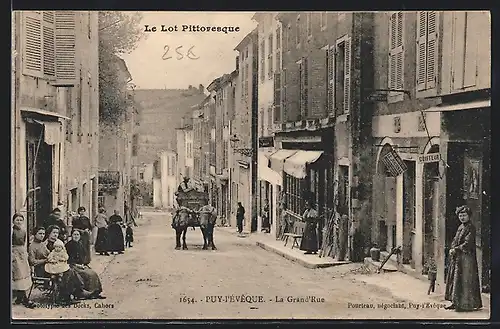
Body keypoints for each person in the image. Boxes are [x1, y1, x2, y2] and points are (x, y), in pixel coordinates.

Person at [444, 205, 483, 312]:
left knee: (465, 280)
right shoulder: (461, 227)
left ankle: (465, 304)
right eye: (460, 216)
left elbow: (467, 243)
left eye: (464, 215)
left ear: (469, 216)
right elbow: (455, 239)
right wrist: (452, 248)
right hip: (458, 257)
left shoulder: (471, 228)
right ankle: (455, 301)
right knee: (455, 278)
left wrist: (456, 249)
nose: (462, 217)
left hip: (467, 258)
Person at [44, 225, 91, 304]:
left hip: (59, 265)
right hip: (49, 267)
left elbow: (65, 254)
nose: (55, 235)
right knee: (69, 272)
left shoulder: (58, 242)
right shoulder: (46, 244)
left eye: (57, 233)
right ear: (49, 233)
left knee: (70, 271)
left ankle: (77, 292)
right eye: (53, 233)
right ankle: (67, 296)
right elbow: (47, 257)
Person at [65, 229, 106, 299]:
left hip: (81, 265)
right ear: (71, 236)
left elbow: (83, 256)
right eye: (74, 234)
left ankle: (95, 293)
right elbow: (69, 259)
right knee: (87, 274)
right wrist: (78, 265)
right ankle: (85, 293)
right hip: (72, 265)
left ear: (80, 236)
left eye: (78, 235)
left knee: (93, 273)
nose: (76, 236)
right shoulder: (69, 245)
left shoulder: (80, 244)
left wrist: (84, 264)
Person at [12, 213, 36, 308]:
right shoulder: (11, 231)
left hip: (22, 253)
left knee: (24, 275)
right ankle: (25, 299)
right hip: (14, 253)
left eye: (21, 220)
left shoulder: (23, 231)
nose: (19, 222)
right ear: (13, 221)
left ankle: (19, 298)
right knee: (19, 275)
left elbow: (24, 243)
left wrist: (24, 253)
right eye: (17, 220)